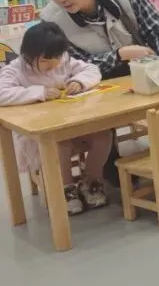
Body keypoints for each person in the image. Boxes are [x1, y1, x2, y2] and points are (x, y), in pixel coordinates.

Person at [0, 22, 112, 216]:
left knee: (104, 135)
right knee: (60, 144)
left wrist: (79, 81)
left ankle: (90, 181)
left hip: (71, 122)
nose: (53, 64)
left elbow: (92, 70)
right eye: (45, 60)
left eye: (57, 58)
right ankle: (66, 189)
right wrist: (39, 92)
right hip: (40, 133)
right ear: (28, 55)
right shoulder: (16, 69)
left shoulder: (64, 60)